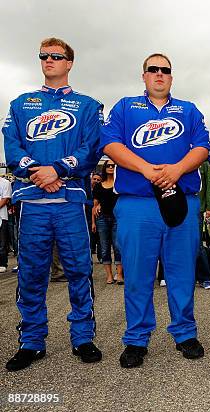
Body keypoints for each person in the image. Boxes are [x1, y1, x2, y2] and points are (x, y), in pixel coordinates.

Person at [101, 53, 210, 369]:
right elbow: (110, 145)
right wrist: (148, 170)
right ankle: (136, 339)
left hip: (181, 199)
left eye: (165, 70)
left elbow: (203, 148)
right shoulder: (125, 107)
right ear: (144, 75)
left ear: (171, 78)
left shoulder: (188, 110)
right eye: (154, 69)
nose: (159, 74)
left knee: (181, 272)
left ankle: (185, 332)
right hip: (137, 204)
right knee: (137, 274)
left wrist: (176, 170)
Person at [2, 37, 103, 371]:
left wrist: (58, 169)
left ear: (69, 62)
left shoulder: (88, 105)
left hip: (70, 199)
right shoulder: (20, 103)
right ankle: (31, 341)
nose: (48, 61)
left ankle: (83, 337)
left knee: (78, 270)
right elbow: (12, 147)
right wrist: (37, 171)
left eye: (56, 56)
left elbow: (92, 146)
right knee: (31, 274)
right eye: (43, 56)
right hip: (32, 201)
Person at [92, 159, 124, 285]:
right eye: (108, 165)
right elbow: (95, 206)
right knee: (104, 248)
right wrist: (93, 223)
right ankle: (109, 275)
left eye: (113, 165)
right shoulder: (99, 186)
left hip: (117, 218)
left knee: (117, 246)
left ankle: (120, 274)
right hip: (102, 219)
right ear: (104, 168)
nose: (110, 167)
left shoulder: (119, 184)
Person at [196, 160, 210, 289]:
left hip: (196, 208)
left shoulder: (203, 163)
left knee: (197, 245)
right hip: (177, 208)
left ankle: (205, 278)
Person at [0, 176, 11, 273]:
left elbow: (5, 199)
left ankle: (3, 263)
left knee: (2, 242)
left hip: (2, 217)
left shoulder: (5, 183)